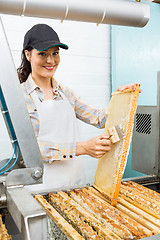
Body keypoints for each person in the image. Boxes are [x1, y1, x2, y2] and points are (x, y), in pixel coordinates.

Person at [18, 23, 135, 192]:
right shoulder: (21, 97)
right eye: (42, 54)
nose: (50, 60)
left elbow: (100, 118)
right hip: (42, 191)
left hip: (75, 187)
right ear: (28, 54)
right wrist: (82, 148)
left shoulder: (66, 93)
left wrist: (122, 98)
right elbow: (31, 151)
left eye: (55, 53)